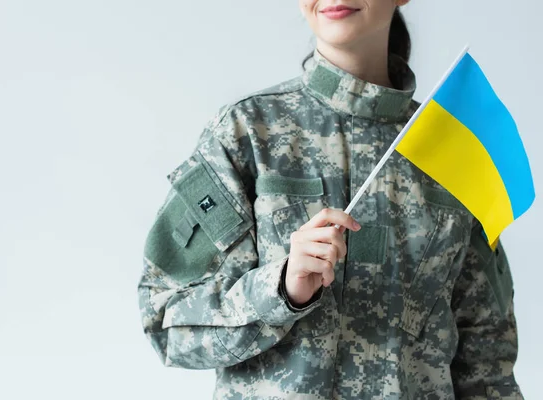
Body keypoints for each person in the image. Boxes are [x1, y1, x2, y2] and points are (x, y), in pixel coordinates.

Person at [137, 1, 523, 398]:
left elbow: (488, 364)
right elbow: (166, 322)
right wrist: (280, 289)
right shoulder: (247, 134)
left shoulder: (455, 154)